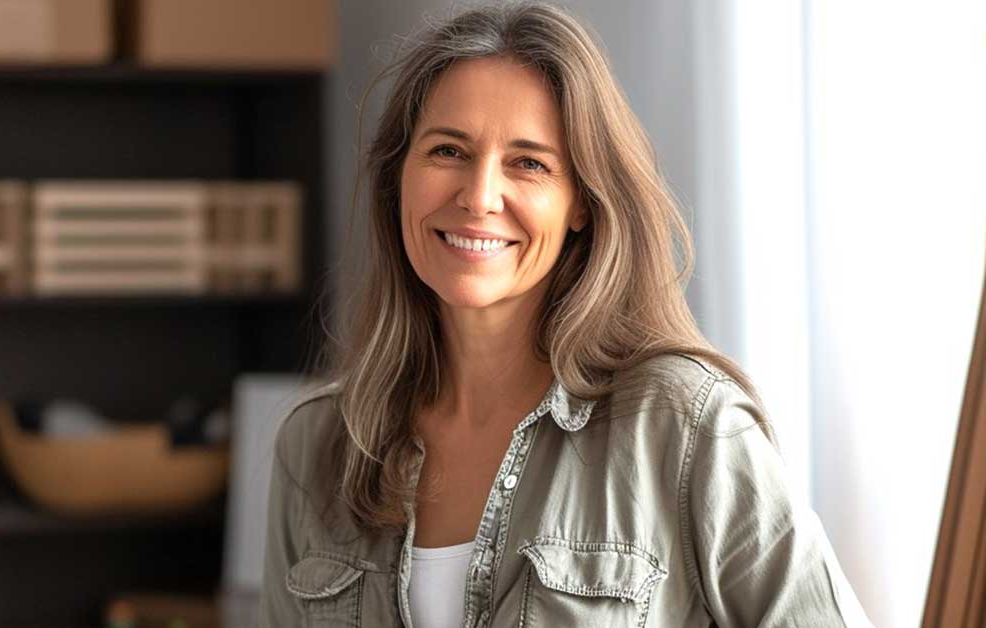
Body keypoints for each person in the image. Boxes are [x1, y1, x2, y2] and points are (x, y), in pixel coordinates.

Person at [258, 2, 872, 626]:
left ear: (582, 201)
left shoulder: (686, 427)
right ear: (399, 178)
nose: (478, 196)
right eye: (448, 151)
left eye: (529, 163)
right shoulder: (318, 445)